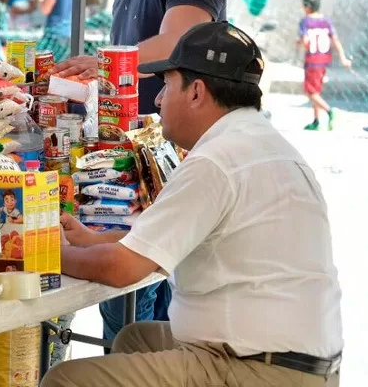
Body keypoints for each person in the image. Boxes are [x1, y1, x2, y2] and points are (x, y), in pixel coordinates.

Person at [44, 22, 343, 387]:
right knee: (135, 340)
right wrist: (92, 239)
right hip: (300, 362)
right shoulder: (263, 144)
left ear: (197, 92)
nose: (157, 100)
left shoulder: (216, 161)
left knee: (66, 380)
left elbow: (121, 269)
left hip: (256, 369)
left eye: (167, 86)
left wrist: (50, 255)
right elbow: (169, 238)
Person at [51, 0, 230, 335]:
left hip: (178, 154)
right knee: (142, 306)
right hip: (131, 159)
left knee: (137, 298)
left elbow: (179, 42)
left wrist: (103, 61)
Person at [298, 0, 352, 131]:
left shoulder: (305, 22)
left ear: (308, 7)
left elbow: (305, 41)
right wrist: (343, 58)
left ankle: (330, 111)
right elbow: (335, 41)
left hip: (312, 61)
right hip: (323, 60)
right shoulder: (326, 22)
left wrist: (299, 43)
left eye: (304, 6)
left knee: (310, 92)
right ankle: (316, 121)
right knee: (316, 91)